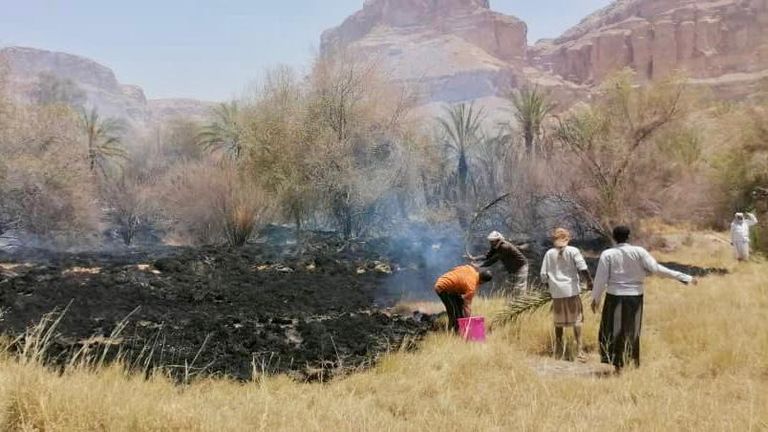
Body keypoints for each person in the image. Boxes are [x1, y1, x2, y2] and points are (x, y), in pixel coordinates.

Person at [591, 226, 696, 371]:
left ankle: (617, 365)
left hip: (614, 296)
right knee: (632, 330)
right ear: (629, 237)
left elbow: (600, 279)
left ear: (614, 238)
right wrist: (684, 277)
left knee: (612, 330)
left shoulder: (607, 254)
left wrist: (595, 298)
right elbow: (657, 269)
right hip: (635, 297)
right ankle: (632, 363)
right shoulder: (639, 252)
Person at [540, 228, 594, 361]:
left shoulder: (549, 253)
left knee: (558, 322)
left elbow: (543, 275)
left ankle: (558, 349)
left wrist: (549, 287)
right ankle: (579, 349)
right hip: (571, 291)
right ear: (567, 238)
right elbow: (583, 268)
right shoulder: (573, 251)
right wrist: (590, 282)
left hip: (556, 293)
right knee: (577, 320)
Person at [434, 264, 493, 332]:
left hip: (449, 285)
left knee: (460, 306)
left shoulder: (470, 268)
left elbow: (454, 269)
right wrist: (469, 321)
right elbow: (467, 306)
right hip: (442, 287)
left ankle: (459, 328)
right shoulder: (472, 287)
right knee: (453, 312)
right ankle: (452, 333)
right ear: (483, 281)